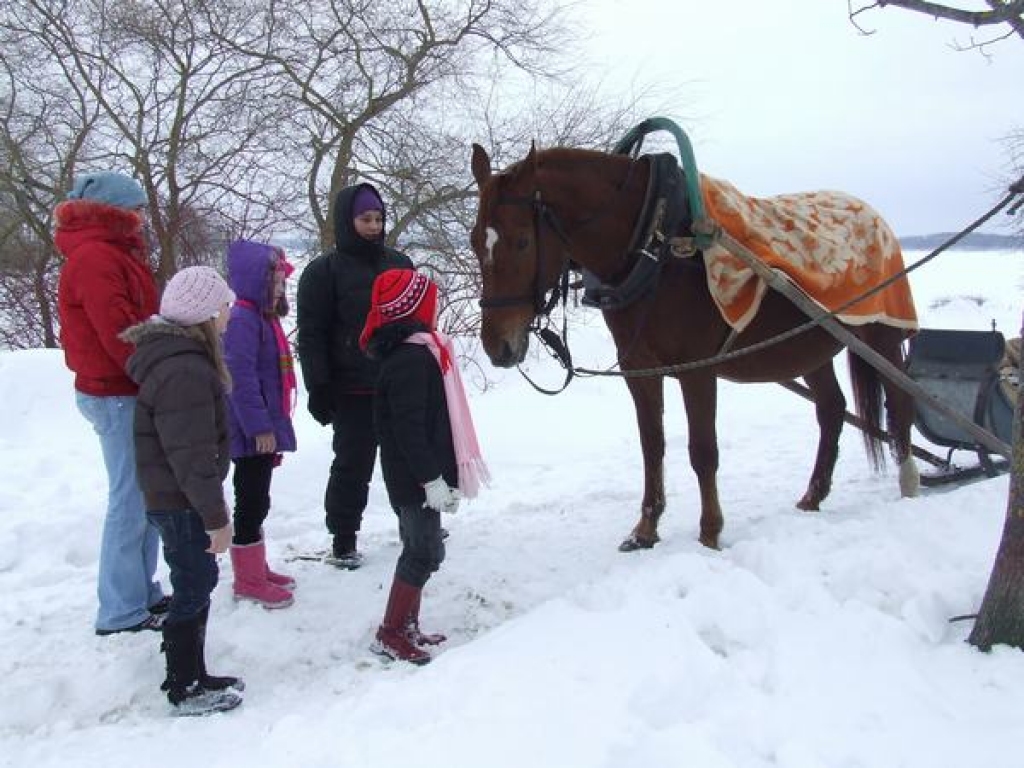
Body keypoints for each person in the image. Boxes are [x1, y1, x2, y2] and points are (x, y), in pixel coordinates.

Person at [122, 266, 242, 716]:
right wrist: (216, 518)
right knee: (193, 583)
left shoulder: (182, 362)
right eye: (225, 305)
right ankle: (184, 685)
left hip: (175, 499)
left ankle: (195, 672)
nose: (231, 312)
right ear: (208, 315)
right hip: (180, 502)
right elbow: (191, 457)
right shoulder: (184, 372)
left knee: (197, 579)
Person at [54, 170, 168, 636]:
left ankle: (141, 592)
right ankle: (120, 608)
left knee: (148, 494)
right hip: (116, 391)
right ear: (117, 213)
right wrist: (161, 374)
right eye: (137, 210)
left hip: (128, 388)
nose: (143, 218)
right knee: (130, 498)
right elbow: (122, 333)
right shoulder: (97, 258)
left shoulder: (113, 253)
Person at [359, 269, 490, 664]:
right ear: (415, 308)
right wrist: (432, 479)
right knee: (424, 552)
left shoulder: (420, 351)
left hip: (415, 475)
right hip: (414, 478)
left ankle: (406, 626)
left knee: (419, 548)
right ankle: (391, 632)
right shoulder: (410, 361)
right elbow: (410, 430)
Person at [296, 183, 413, 569]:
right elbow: (311, 334)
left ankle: (412, 526)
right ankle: (343, 539)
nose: (373, 225)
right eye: (365, 218)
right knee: (352, 464)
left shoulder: (400, 263)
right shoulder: (321, 272)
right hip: (352, 387)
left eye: (379, 218)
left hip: (397, 383)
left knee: (408, 459)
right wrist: (319, 386)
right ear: (348, 220)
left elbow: (419, 323)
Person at [223, 240, 297, 609]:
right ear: (255, 281)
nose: (281, 288)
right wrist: (260, 428)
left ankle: (257, 566)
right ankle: (248, 580)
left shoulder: (264, 319)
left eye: (284, 283)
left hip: (265, 426)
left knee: (259, 498)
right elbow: (241, 380)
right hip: (252, 431)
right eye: (276, 282)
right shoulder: (242, 320)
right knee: (250, 500)